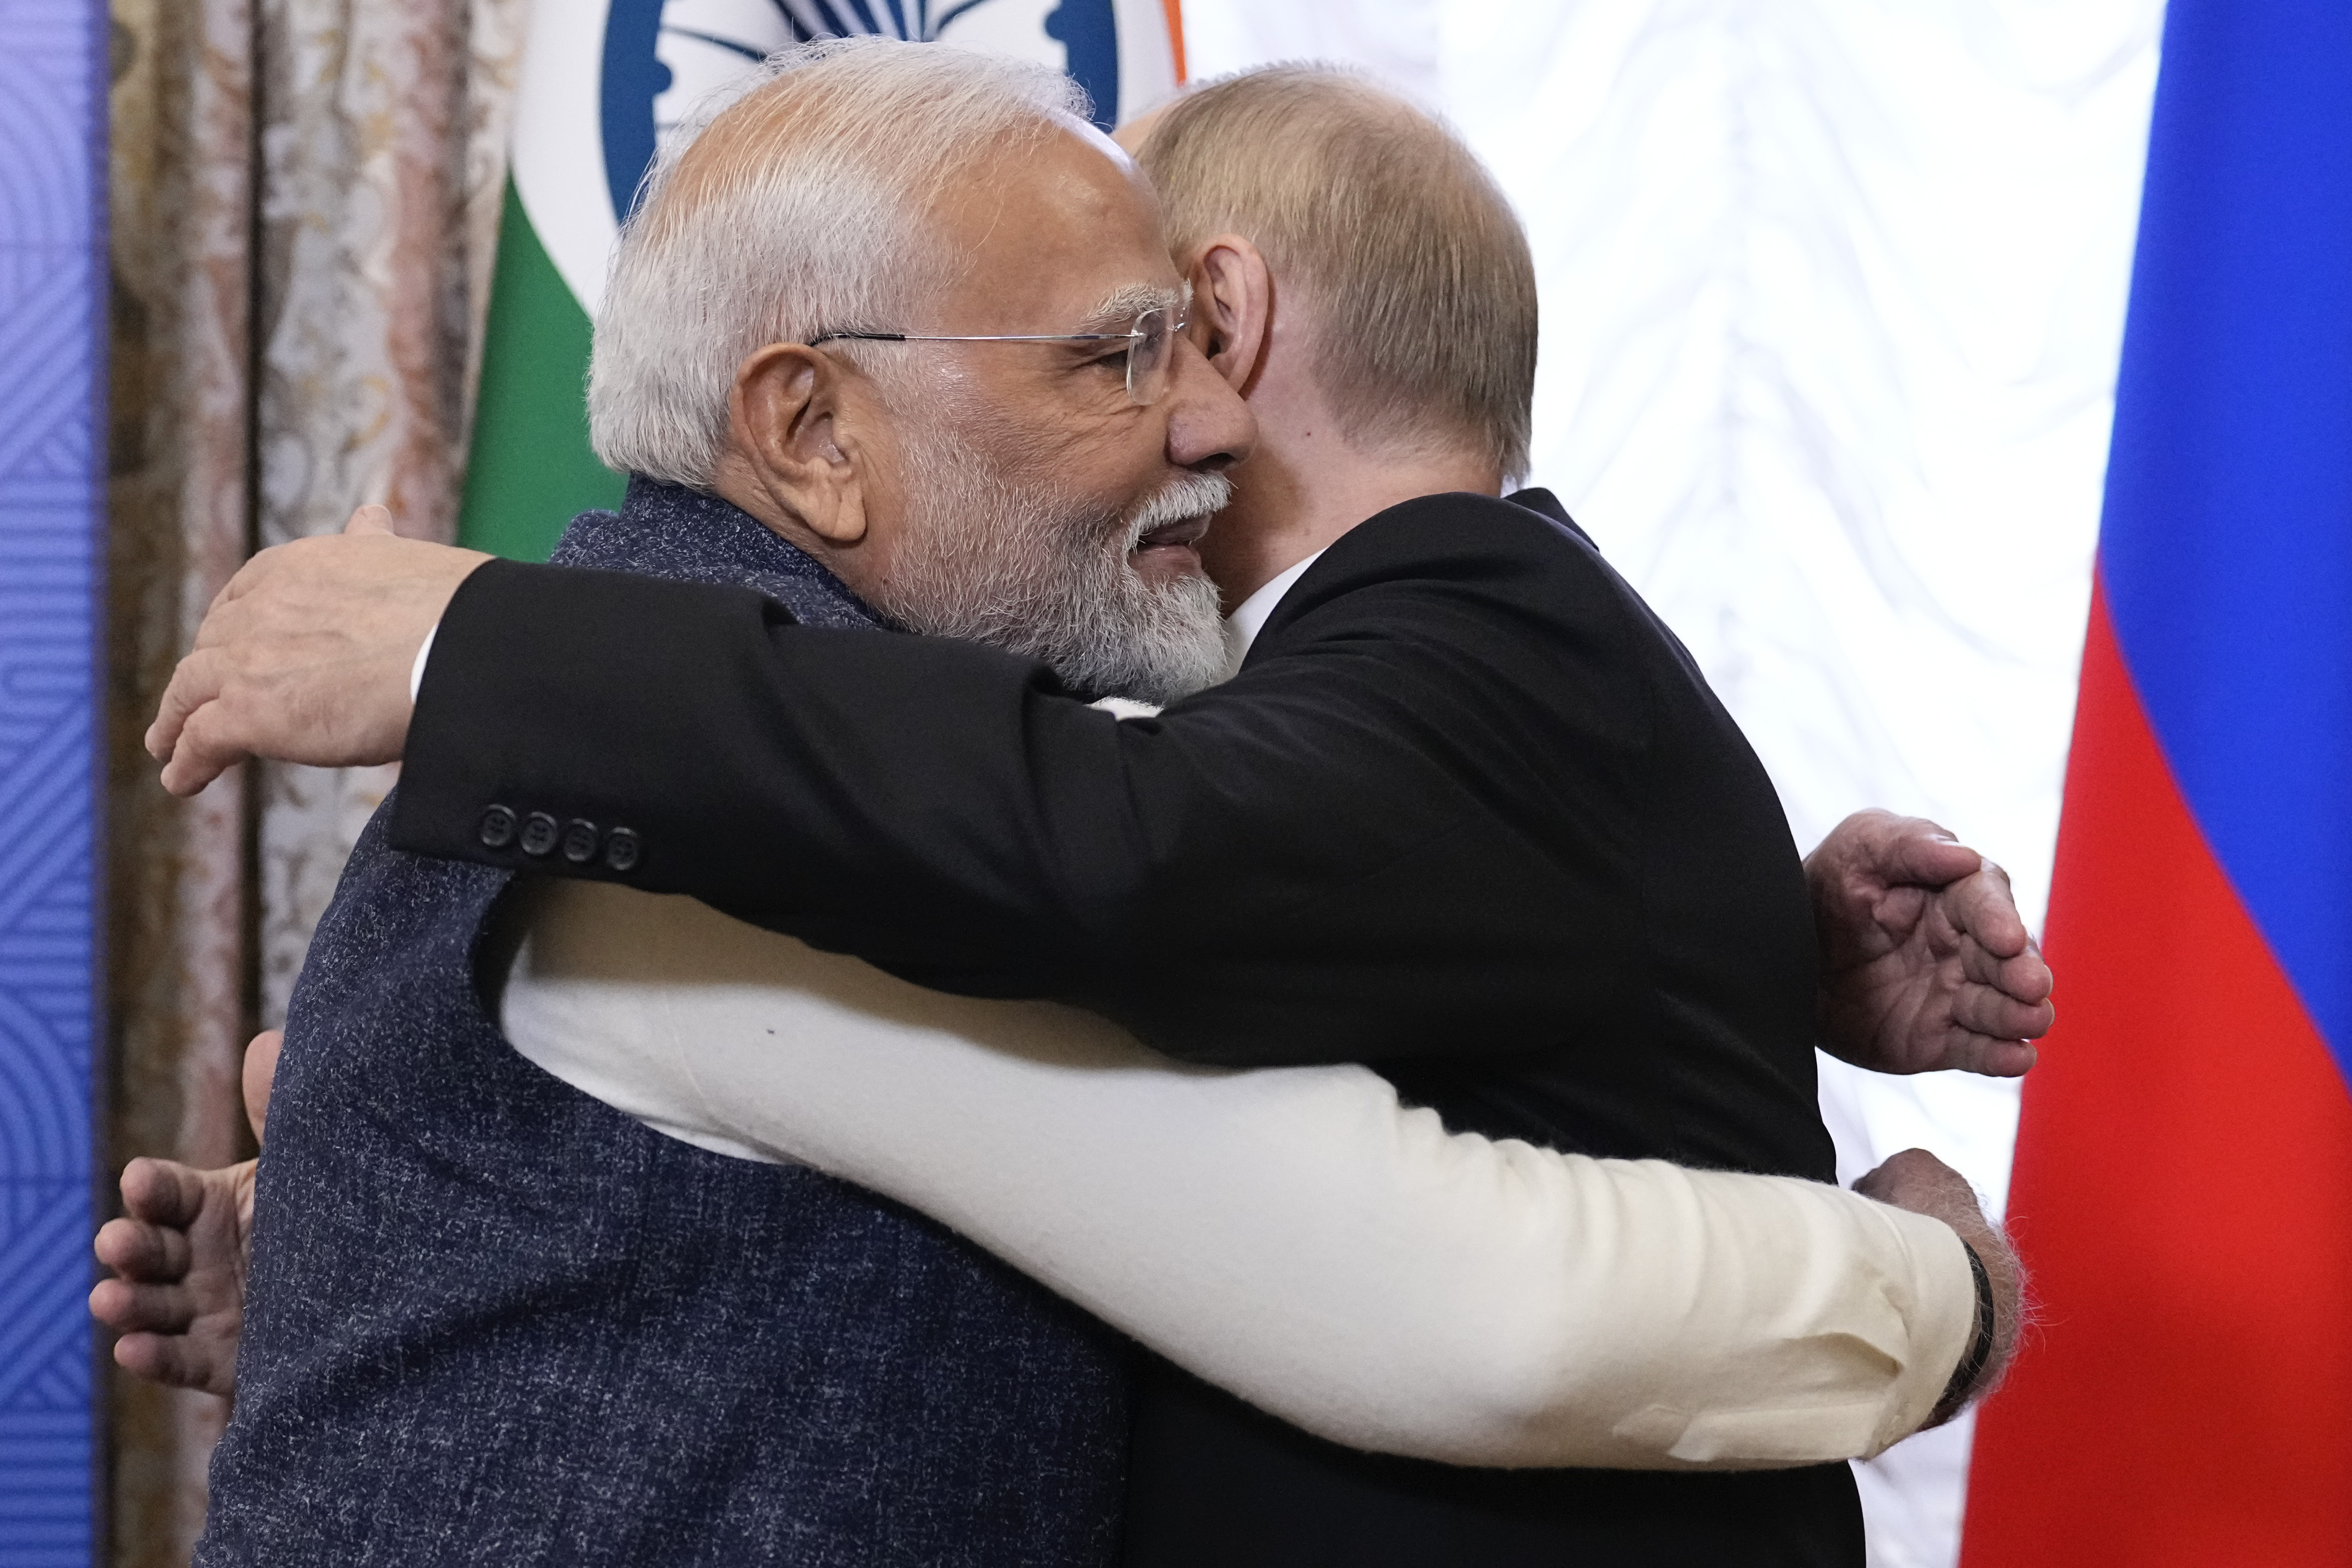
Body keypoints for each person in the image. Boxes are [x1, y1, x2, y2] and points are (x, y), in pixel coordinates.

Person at [136, 46, 2048, 1567]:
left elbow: (1177, 864)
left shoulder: (716, 746)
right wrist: (1931, 1284)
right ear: (811, 433)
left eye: (1184, 341)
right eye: (1115, 356)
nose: (1201, 419)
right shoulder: (738, 827)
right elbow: (1447, 1299)